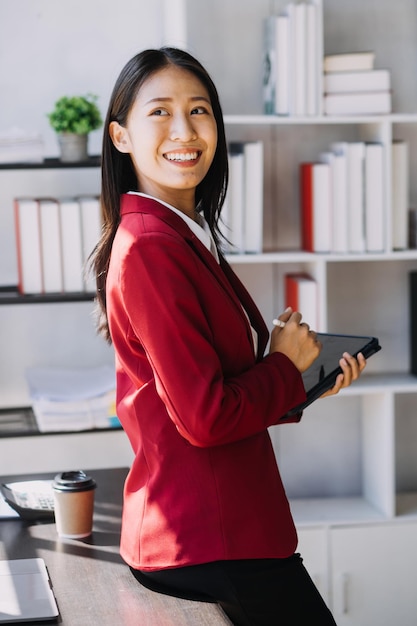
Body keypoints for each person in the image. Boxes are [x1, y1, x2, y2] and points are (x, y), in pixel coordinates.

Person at [92, 47, 366, 626]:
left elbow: (217, 387)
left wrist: (302, 381)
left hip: (225, 531)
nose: (184, 130)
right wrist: (285, 371)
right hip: (209, 538)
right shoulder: (149, 247)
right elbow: (206, 417)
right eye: (160, 113)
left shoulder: (180, 233)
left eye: (200, 111)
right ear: (120, 136)